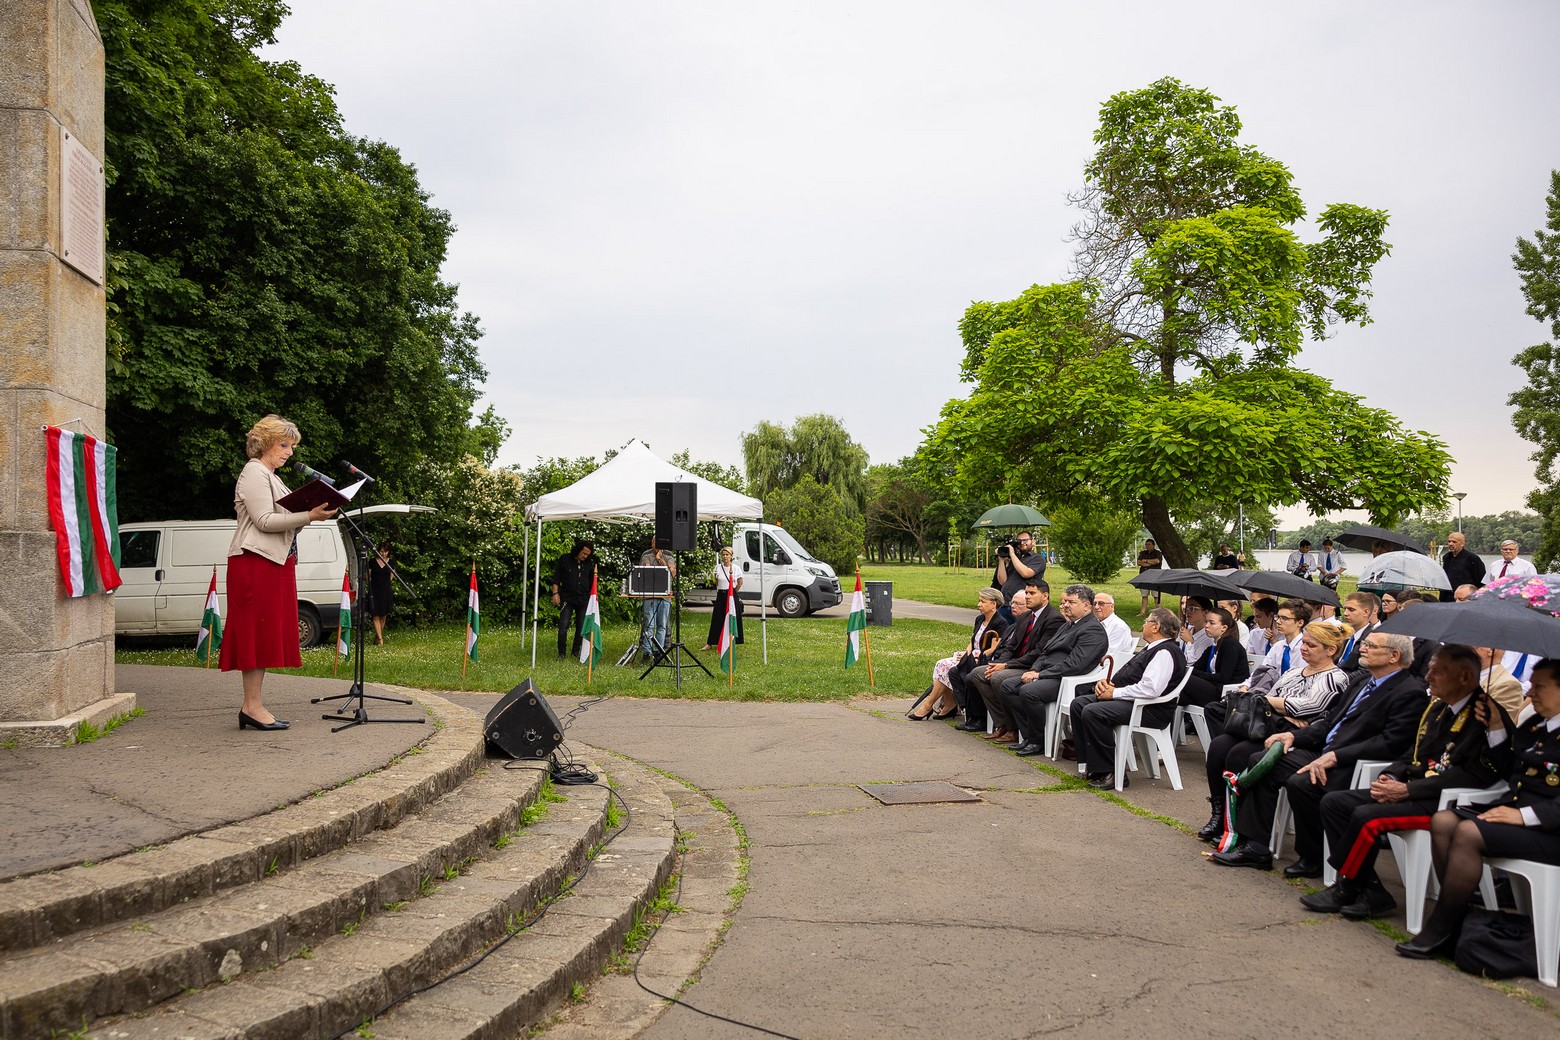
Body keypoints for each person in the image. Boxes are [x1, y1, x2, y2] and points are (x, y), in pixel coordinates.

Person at [1305, 645, 1503, 920]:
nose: (1428, 677)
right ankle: (1370, 889)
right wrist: (1394, 774)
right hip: (1413, 788)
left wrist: (1408, 789)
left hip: (1445, 801)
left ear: (1465, 677)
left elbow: (1472, 774)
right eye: (1430, 668)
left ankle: (1348, 886)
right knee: (1336, 802)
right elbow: (1415, 750)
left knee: (1366, 816)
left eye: (1438, 671)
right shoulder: (1438, 707)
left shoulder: (1485, 715)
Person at [1211, 632, 1427, 875]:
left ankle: (1312, 855)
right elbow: (1330, 722)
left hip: (1352, 762)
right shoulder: (1363, 682)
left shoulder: (1409, 691)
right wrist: (1293, 736)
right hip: (1323, 750)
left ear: (1394, 656)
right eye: (1364, 644)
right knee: (1260, 759)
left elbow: (1391, 743)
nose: (1362, 649)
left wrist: (1337, 756)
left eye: (1370, 646)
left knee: (1300, 783)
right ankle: (1257, 846)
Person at [1396, 658, 1560, 960]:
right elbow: (1508, 766)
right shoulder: (1537, 725)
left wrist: (1522, 816)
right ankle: (1455, 918)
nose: (1531, 692)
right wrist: (1497, 725)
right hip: (1518, 815)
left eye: (1540, 687)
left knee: (1468, 832)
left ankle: (1442, 927)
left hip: (1550, 831)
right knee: (1444, 820)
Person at [220, 414, 339, 731]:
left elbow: (287, 518)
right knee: (255, 635)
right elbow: (264, 521)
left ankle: (253, 706)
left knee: (265, 635)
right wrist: (310, 515)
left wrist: (313, 513)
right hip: (254, 562)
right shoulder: (254, 472)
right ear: (266, 443)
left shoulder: (272, 476)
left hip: (273, 562)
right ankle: (252, 707)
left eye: (291, 446)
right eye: (284, 444)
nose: (289, 452)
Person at [1197, 620, 1352, 843]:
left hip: (1295, 739)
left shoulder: (1335, 677)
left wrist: (1270, 703)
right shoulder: (1294, 672)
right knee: (1219, 746)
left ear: (1331, 650)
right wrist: (1277, 706)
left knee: (1239, 754)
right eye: (1304, 643)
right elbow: (1271, 699)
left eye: (1311, 645)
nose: (1304, 648)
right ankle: (1220, 814)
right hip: (1267, 726)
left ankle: (1237, 821)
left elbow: (1307, 706)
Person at [1069, 607, 1187, 788]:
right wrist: (1106, 685)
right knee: (1079, 704)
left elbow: (1150, 689)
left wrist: (1114, 693)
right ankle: (1090, 766)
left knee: (1094, 712)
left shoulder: (1165, 652)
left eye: (1146, 621)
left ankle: (1111, 772)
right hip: (1133, 701)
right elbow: (1132, 678)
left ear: (1156, 627)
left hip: (1150, 709)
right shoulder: (1152, 648)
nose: (1143, 624)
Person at [998, 584, 1111, 755]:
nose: (1065, 605)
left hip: (1071, 680)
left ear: (1087, 605)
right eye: (1065, 601)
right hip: (1050, 674)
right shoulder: (1069, 625)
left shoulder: (1092, 629)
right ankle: (1028, 736)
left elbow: (1075, 665)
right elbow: (1046, 652)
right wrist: (1034, 668)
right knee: (1008, 686)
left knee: (1029, 692)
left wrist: (1040, 674)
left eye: (1071, 602)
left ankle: (1038, 742)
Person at [911, 588, 1006, 720]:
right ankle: (949, 704)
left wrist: (973, 655)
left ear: (993, 604)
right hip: (971, 655)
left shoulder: (1000, 623)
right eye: (979, 601)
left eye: (983, 601)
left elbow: (994, 649)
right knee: (941, 664)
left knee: (946, 666)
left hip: (982, 658)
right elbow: (972, 641)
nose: (979, 604)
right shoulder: (979, 619)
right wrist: (966, 653)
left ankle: (929, 705)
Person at [955, 591, 1030, 732]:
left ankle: (1003, 725)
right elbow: (1005, 649)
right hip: (998, 660)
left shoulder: (1005, 623)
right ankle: (975, 716)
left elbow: (1023, 653)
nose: (1013, 606)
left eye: (1018, 604)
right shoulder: (1014, 625)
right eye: (1012, 603)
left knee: (978, 675)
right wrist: (997, 663)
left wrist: (1002, 664)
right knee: (966, 672)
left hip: (1016, 665)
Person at [1179, 607, 1250, 714]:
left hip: (1227, 693)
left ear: (1224, 628)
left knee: (1185, 679)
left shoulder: (1230, 645)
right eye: (1206, 621)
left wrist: (1194, 673)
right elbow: (1196, 667)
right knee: (1178, 695)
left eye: (1212, 623)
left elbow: (1223, 677)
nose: (1206, 626)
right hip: (1214, 687)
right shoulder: (1213, 647)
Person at [551, 539, 595, 659]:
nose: (585, 556)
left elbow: (593, 582)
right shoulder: (565, 559)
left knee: (581, 627)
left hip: (583, 599)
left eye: (587, 554)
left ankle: (576, 651)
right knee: (563, 626)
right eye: (583, 553)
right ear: (578, 550)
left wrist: (593, 599)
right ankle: (561, 653)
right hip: (567, 598)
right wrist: (555, 594)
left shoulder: (589, 563)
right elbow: (556, 578)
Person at [992, 531, 1044, 620]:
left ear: (1032, 541)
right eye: (1019, 541)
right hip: (1005, 603)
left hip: (1022, 605)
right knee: (1003, 632)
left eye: (1025, 540)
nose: (1022, 543)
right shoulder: (1015, 559)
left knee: (1019, 631)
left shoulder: (1037, 559)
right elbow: (1002, 581)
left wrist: (1012, 554)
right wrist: (1001, 559)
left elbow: (1026, 573)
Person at [638, 540, 676, 659]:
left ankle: (658, 651)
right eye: (655, 543)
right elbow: (648, 573)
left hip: (665, 597)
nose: (657, 545)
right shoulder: (646, 555)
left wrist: (660, 560)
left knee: (662, 625)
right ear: (652, 544)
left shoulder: (668, 556)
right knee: (649, 625)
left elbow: (672, 574)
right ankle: (647, 652)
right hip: (650, 596)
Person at [702, 546, 744, 651]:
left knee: (732, 617)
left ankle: (732, 640)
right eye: (723, 554)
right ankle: (711, 642)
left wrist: (733, 592)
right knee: (717, 618)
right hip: (720, 595)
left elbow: (740, 583)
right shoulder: (718, 567)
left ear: (731, 556)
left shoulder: (736, 568)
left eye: (727, 555)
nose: (725, 557)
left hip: (731, 595)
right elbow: (716, 581)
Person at [1439, 531, 1485, 602]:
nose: (1451, 544)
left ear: (1462, 544)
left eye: (1454, 542)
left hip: (1466, 596)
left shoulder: (1472, 558)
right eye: (1449, 541)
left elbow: (1481, 580)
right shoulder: (1446, 557)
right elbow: (1445, 577)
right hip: (1449, 595)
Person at [1092, 593, 1138, 662]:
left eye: (1101, 603)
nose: (1096, 607)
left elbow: (1108, 657)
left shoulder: (1119, 627)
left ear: (1111, 607)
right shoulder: (1095, 623)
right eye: (1094, 604)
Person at [367, 540, 395, 645]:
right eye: (381, 551)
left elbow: (391, 578)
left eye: (385, 551)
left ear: (388, 552)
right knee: (375, 615)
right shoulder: (372, 562)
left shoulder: (391, 563)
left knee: (384, 615)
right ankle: (381, 639)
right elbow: (367, 576)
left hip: (386, 591)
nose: (383, 553)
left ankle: (378, 637)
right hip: (374, 590)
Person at [1136, 539, 1164, 612]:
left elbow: (1157, 561)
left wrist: (1146, 561)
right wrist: (1150, 563)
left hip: (1155, 577)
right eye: (1146, 544)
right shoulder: (1143, 553)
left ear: (1153, 545)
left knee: (1156, 595)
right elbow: (1139, 562)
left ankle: (1159, 611)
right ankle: (1142, 611)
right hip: (1144, 576)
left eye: (1149, 544)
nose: (1147, 546)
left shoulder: (1158, 553)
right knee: (1144, 595)